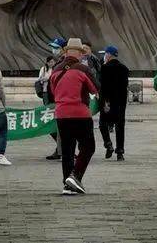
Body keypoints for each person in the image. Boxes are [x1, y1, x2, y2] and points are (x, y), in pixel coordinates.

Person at [50, 37, 99, 195]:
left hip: (61, 114)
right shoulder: (83, 69)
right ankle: (75, 176)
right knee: (88, 147)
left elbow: (52, 92)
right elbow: (95, 89)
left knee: (67, 150)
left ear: (65, 52)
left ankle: (67, 185)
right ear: (79, 53)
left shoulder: (55, 70)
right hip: (80, 113)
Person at [98, 45, 130, 160]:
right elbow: (125, 86)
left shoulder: (105, 68)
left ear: (109, 55)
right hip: (121, 102)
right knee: (119, 126)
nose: (104, 56)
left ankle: (108, 144)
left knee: (102, 124)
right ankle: (120, 152)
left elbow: (103, 87)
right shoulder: (125, 69)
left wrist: (104, 102)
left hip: (108, 101)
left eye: (105, 54)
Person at [45, 37, 67, 161]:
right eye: (52, 47)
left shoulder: (64, 64)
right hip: (54, 100)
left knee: (58, 127)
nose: (53, 50)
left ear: (63, 49)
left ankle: (63, 150)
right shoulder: (58, 63)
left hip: (59, 101)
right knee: (55, 127)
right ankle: (60, 150)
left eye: (56, 48)